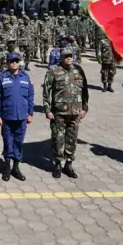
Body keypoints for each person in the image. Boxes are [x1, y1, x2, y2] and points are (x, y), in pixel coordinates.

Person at [42, 47, 89, 179]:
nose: (69, 58)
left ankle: (68, 164)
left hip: (75, 112)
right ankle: (57, 163)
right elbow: (46, 92)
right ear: (61, 58)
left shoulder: (79, 70)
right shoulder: (53, 71)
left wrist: (85, 108)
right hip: (59, 112)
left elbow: (85, 91)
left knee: (72, 139)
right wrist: (47, 109)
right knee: (58, 139)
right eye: (66, 56)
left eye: (70, 56)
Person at [0, 52, 34, 182]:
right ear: (7, 63)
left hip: (22, 116)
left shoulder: (25, 77)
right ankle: (6, 167)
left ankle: (16, 167)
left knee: (19, 142)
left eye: (16, 61)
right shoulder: (1, 77)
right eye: (11, 61)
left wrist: (30, 113)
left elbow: (30, 96)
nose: (14, 63)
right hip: (7, 116)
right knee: (8, 141)